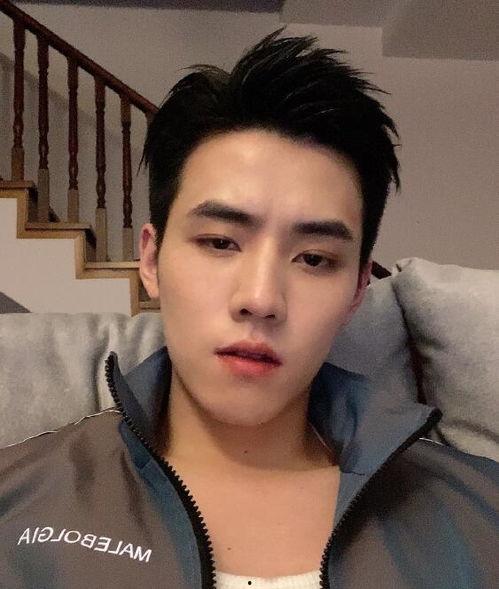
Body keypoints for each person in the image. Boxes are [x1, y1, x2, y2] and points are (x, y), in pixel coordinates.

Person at [0, 28, 497, 589]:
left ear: (359, 289)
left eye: (313, 259)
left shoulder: (483, 516)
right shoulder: (16, 505)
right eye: (220, 242)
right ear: (152, 260)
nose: (261, 299)